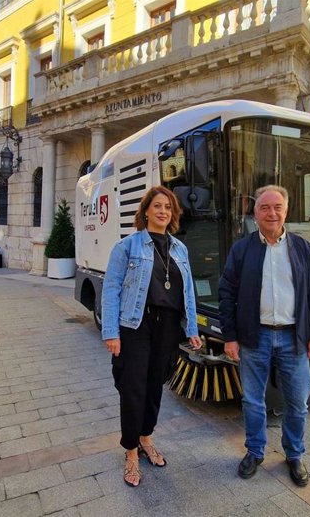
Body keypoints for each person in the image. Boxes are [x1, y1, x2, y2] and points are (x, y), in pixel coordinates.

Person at [218, 185, 310, 486]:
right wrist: (230, 336)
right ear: (255, 214)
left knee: (297, 403)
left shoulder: (303, 248)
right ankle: (254, 451)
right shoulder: (242, 250)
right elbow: (226, 294)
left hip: (295, 338)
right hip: (255, 337)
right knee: (253, 401)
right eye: (265, 207)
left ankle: (294, 455)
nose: (272, 213)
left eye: (277, 207)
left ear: (286, 211)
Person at [101, 185, 202, 488]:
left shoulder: (180, 249)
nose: (162, 212)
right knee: (133, 388)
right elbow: (111, 289)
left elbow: (188, 292)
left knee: (156, 386)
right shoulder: (127, 247)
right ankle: (131, 450)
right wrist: (111, 332)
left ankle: (146, 436)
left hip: (168, 325)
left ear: (173, 214)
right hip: (135, 324)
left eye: (168, 208)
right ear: (145, 210)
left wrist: (192, 328)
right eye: (157, 206)